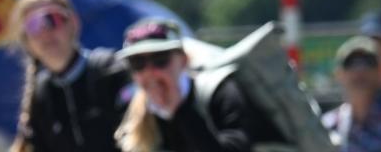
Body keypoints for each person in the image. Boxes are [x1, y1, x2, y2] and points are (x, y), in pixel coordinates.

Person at [115, 18, 284, 152]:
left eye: (160, 60)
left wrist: (181, 110)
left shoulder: (221, 93)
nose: (149, 72)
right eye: (137, 63)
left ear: (184, 60)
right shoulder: (133, 111)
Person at [7, 0, 129, 152]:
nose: (45, 32)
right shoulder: (40, 97)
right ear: (26, 41)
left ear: (73, 23)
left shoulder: (109, 70)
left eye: (52, 19)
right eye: (33, 25)